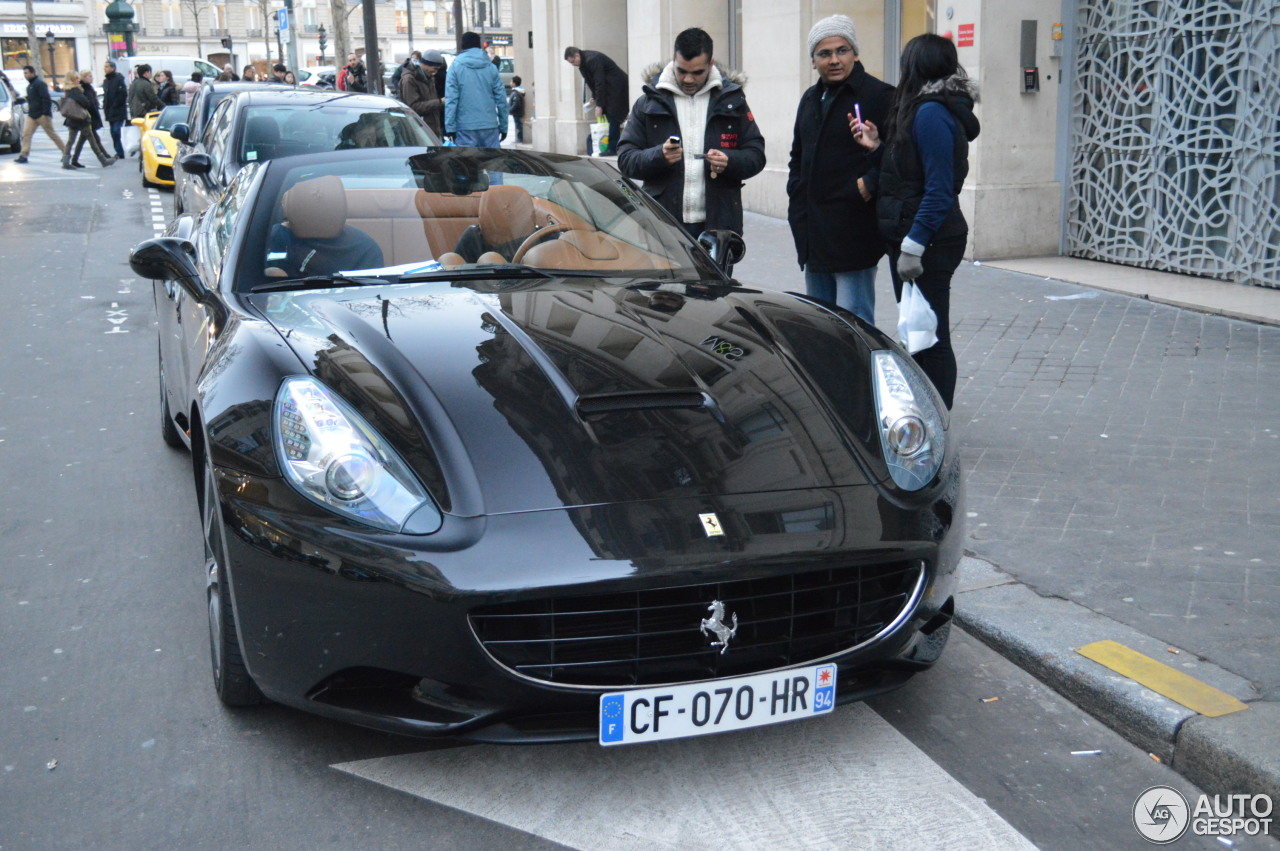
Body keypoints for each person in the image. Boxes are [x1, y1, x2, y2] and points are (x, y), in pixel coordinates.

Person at [854, 33, 980, 409]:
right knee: (919, 331)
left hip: (928, 243)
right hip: (914, 238)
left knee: (932, 335)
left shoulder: (931, 114)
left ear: (916, 67)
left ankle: (937, 421)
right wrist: (878, 148)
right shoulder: (922, 109)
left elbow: (940, 190)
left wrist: (913, 245)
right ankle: (927, 411)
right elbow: (908, 176)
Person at [786, 14, 894, 326]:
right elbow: (798, 155)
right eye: (825, 53)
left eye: (842, 50)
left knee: (854, 323)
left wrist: (868, 184)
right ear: (813, 60)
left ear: (855, 53)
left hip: (853, 230)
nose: (834, 60)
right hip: (813, 231)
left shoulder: (879, 95)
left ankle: (859, 376)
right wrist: (796, 192)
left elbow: (901, 156)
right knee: (820, 323)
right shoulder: (809, 99)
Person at [616, 28, 765, 240]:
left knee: (718, 275)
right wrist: (659, 156)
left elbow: (756, 155)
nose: (688, 79)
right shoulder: (648, 101)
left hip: (719, 226)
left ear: (710, 64)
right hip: (662, 225)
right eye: (681, 70)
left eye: (697, 73)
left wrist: (729, 161)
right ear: (673, 59)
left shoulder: (733, 100)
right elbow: (625, 159)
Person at [444, 32, 507, 147]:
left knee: (468, 163)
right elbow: (501, 99)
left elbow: (451, 99)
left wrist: (450, 127)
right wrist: (503, 126)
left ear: (462, 46)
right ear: (480, 46)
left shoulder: (455, 67)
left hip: (465, 126)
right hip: (489, 125)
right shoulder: (491, 67)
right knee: (492, 163)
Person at [563, 45, 628, 157]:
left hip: (617, 87)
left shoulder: (593, 59)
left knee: (612, 117)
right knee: (608, 117)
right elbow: (591, 82)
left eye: (573, 61)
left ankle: (612, 148)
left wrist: (599, 105)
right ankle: (608, 146)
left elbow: (599, 82)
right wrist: (594, 97)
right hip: (609, 89)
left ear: (577, 55)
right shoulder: (583, 64)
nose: (573, 65)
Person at [59, 71, 115, 169]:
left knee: (71, 140)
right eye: (76, 78)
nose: (78, 80)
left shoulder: (67, 90)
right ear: (72, 80)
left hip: (72, 119)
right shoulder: (75, 90)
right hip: (81, 119)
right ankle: (103, 160)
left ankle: (66, 161)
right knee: (92, 140)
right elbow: (86, 102)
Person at [16, 65, 66, 164]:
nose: (25, 75)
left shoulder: (40, 84)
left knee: (52, 135)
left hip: (42, 115)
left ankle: (66, 153)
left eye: (27, 73)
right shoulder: (29, 86)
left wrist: (45, 113)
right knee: (26, 134)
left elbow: (46, 98)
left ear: (32, 73)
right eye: (24, 73)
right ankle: (23, 155)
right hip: (32, 115)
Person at [400, 50, 444, 138]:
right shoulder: (409, 79)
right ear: (426, 64)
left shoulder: (428, 77)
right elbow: (413, 107)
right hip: (418, 133)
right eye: (435, 69)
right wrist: (439, 102)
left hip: (430, 130)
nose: (435, 72)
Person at [78, 69, 114, 167]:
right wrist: (95, 116)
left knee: (82, 140)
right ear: (84, 78)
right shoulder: (84, 88)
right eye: (89, 76)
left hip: (88, 118)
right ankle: (105, 158)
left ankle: (72, 159)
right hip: (87, 118)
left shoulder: (88, 88)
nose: (92, 78)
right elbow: (89, 105)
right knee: (94, 140)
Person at [101, 59, 128, 160]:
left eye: (107, 66)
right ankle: (118, 152)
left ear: (113, 68)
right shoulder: (106, 81)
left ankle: (120, 152)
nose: (105, 68)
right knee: (113, 132)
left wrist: (115, 105)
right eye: (105, 66)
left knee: (116, 131)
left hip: (118, 110)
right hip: (109, 111)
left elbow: (123, 94)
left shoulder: (118, 79)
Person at [507, 75, 525, 144]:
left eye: (511, 81)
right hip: (518, 112)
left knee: (518, 126)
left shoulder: (515, 92)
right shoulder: (518, 91)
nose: (510, 83)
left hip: (517, 112)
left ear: (514, 83)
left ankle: (519, 139)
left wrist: (511, 109)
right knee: (518, 125)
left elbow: (516, 103)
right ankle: (519, 138)